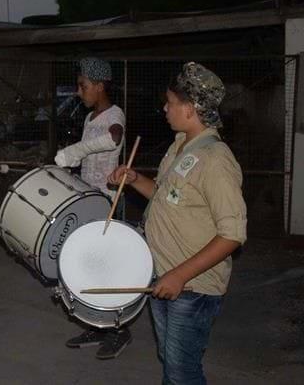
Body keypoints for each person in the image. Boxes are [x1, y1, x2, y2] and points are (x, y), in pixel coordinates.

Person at [107, 62, 246, 383]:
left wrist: (179, 276)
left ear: (190, 108)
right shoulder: (180, 145)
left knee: (182, 370)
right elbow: (164, 195)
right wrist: (135, 178)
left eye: (170, 102)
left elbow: (233, 235)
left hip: (192, 287)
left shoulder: (216, 160)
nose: (165, 108)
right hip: (166, 275)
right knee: (171, 360)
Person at [54, 57, 129, 359]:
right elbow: (91, 162)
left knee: (109, 272)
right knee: (89, 269)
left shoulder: (115, 115)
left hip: (108, 204)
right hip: (89, 201)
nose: (78, 91)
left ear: (99, 86)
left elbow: (113, 140)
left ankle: (119, 331)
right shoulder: (89, 119)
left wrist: (77, 150)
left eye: (83, 86)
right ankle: (96, 325)